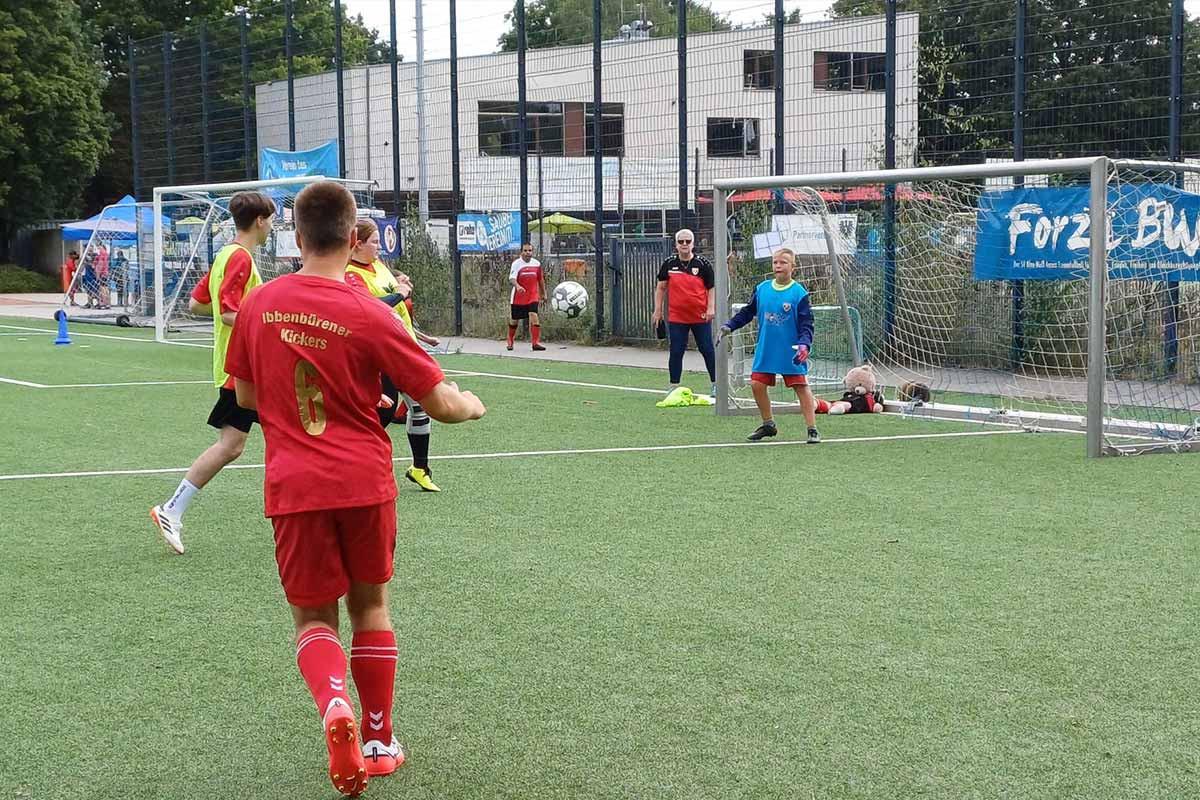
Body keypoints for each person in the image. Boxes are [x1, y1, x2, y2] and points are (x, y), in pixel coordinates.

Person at [224, 180, 486, 795]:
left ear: (295, 234)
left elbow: (245, 397)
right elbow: (441, 404)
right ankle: (375, 737)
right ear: (352, 238)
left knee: (313, 618)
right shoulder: (372, 311)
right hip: (364, 482)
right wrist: (472, 405)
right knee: (369, 607)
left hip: (295, 485)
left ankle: (333, 705)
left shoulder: (261, 305)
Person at [149, 191, 276, 554]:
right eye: (271, 219)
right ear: (260, 221)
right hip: (244, 370)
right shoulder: (239, 258)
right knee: (287, 433)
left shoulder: (226, 255)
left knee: (233, 445)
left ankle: (172, 509)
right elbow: (226, 313)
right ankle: (309, 513)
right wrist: (269, 323)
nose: (272, 226)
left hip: (236, 367)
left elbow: (196, 303)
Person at [345, 220, 443, 493]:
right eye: (374, 241)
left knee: (420, 407)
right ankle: (354, 467)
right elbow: (367, 309)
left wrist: (420, 336)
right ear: (357, 244)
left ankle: (420, 469)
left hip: (403, 350)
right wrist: (399, 294)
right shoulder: (351, 274)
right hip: (379, 354)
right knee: (382, 415)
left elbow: (399, 315)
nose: (380, 246)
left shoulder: (379, 268)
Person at [716, 247, 820, 444]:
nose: (778, 266)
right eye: (775, 262)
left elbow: (807, 325)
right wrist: (729, 326)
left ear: (793, 267)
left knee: (800, 386)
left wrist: (804, 345)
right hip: (767, 348)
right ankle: (768, 424)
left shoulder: (799, 293)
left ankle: (812, 428)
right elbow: (747, 312)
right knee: (756, 384)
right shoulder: (762, 288)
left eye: (783, 263)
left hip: (790, 351)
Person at [651, 228, 717, 394]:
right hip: (677, 317)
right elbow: (660, 288)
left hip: (700, 316)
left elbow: (711, 288)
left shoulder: (703, 264)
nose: (685, 244)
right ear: (676, 244)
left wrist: (710, 308)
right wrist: (657, 310)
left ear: (693, 244)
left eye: (688, 241)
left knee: (707, 349)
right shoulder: (669, 263)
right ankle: (673, 386)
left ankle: (716, 384)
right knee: (676, 350)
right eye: (681, 242)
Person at [506, 242, 546, 351]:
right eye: (525, 251)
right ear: (521, 252)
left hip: (532, 295)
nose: (528, 253)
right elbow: (512, 278)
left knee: (534, 315)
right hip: (518, 297)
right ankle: (510, 339)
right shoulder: (516, 264)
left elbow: (540, 279)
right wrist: (518, 286)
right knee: (514, 320)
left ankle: (535, 343)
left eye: (530, 250)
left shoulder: (536, 264)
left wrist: (543, 294)